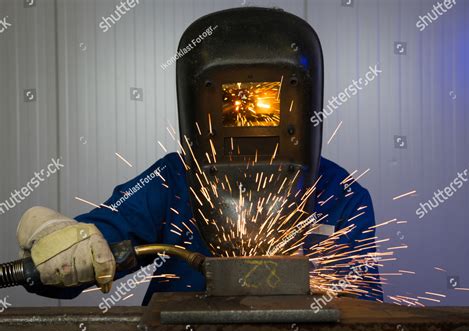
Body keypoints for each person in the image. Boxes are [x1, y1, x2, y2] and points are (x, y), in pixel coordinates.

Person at [16, 7, 383, 305]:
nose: (250, 117)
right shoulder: (173, 179)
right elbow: (92, 252)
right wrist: (61, 239)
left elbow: (364, 314)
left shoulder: (343, 195)